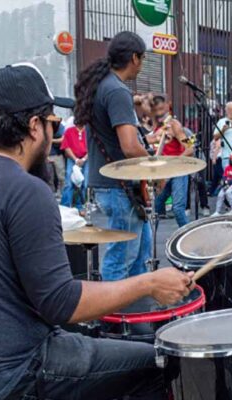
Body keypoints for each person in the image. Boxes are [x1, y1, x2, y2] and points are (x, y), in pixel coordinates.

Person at [0, 62, 194, 400]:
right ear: (35, 126)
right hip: (12, 376)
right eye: (54, 123)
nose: (55, 133)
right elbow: (61, 303)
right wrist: (151, 283)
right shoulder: (22, 188)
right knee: (159, 364)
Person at [75, 31, 153, 280]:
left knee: (141, 253)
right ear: (134, 58)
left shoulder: (101, 85)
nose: (142, 66)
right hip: (119, 187)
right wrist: (156, 167)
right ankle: (115, 316)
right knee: (121, 259)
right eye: (143, 59)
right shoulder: (117, 91)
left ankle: (136, 309)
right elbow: (130, 146)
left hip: (109, 184)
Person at [151, 95, 193, 227]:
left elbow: (190, 148)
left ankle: (188, 238)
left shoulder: (175, 125)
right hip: (162, 172)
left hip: (177, 170)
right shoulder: (155, 126)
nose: (159, 112)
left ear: (168, 107)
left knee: (178, 209)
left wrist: (176, 161)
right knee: (156, 208)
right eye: (156, 109)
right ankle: (150, 244)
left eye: (161, 109)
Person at [60, 123, 88, 210]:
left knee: (85, 183)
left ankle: (80, 206)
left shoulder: (89, 131)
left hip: (86, 159)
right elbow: (66, 147)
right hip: (72, 159)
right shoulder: (69, 131)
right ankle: (65, 206)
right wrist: (75, 159)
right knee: (69, 183)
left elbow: (92, 147)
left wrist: (84, 159)